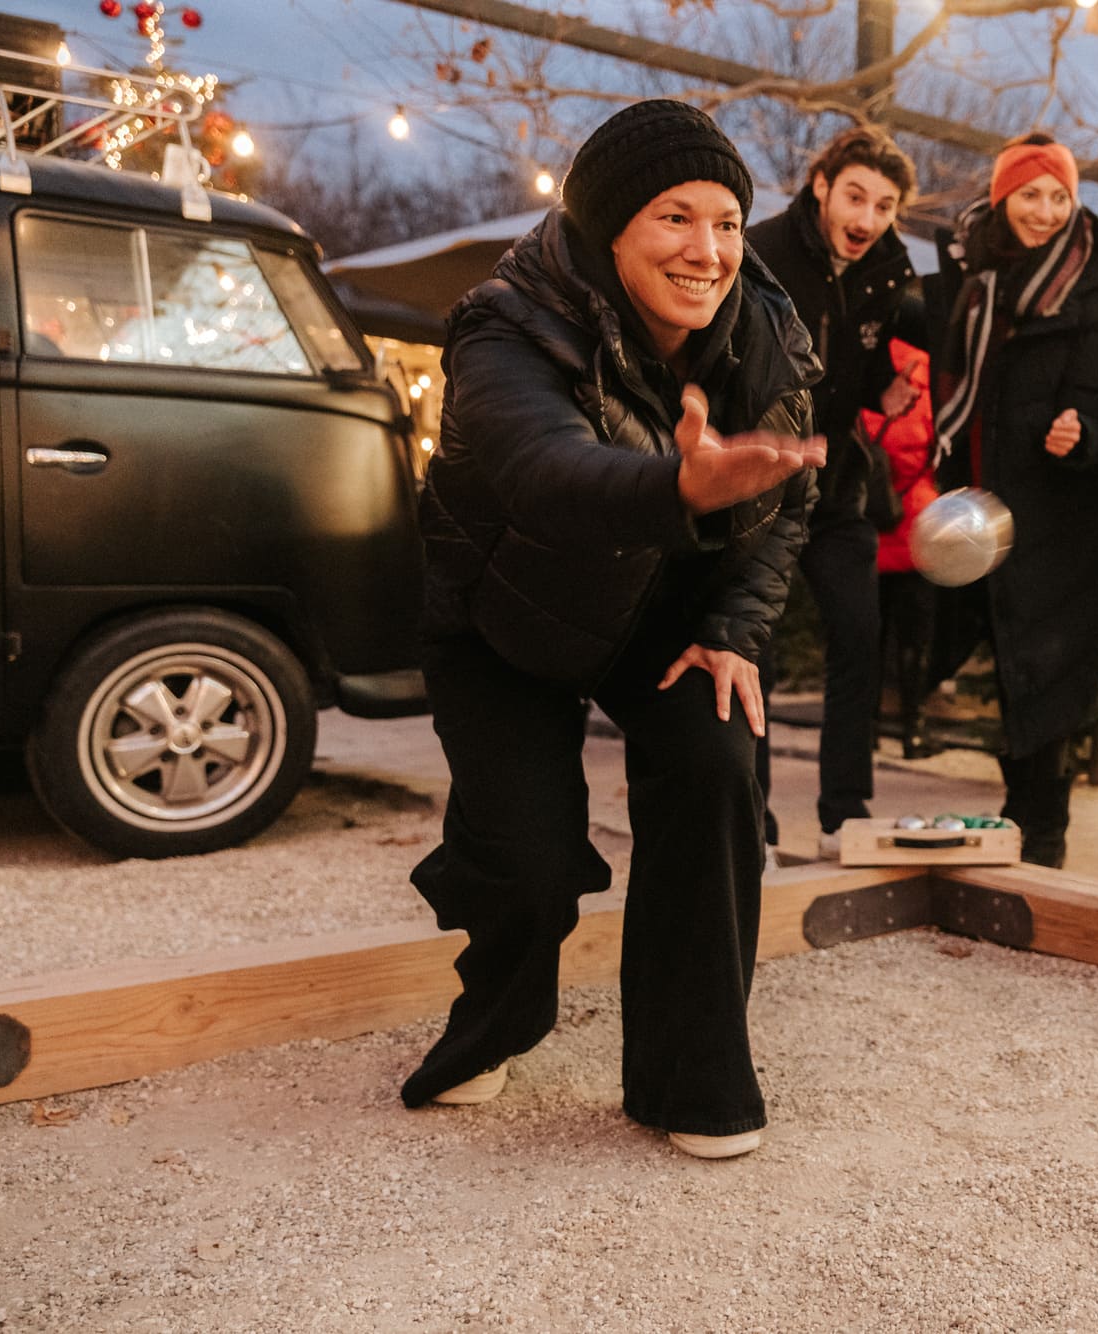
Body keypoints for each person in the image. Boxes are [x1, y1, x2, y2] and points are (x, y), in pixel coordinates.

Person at [403, 100, 824, 1160]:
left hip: (665, 611)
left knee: (717, 755)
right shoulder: (505, 324)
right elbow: (545, 471)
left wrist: (731, 627)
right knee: (530, 862)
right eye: (675, 218)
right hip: (505, 614)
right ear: (607, 227)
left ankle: (694, 1078)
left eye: (726, 222)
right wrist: (675, 485)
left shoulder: (769, 332)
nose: (708, 251)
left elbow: (785, 508)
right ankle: (495, 1019)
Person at [928, 132, 1098, 869]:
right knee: (1004, 658)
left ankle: (1046, 831)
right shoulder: (976, 273)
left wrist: (1085, 430)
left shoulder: (1096, 285)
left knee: (1051, 663)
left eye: (1059, 196)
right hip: (985, 499)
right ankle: (1018, 812)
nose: (1045, 211)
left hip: (1060, 508)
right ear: (1002, 198)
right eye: (1030, 194)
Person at [748, 125, 920, 858]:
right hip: (757, 480)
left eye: (884, 206)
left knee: (859, 631)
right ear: (821, 187)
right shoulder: (759, 253)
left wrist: (887, 391)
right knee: (750, 644)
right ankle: (748, 817)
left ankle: (844, 810)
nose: (867, 218)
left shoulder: (888, 270)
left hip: (838, 481)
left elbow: (865, 363)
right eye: (856, 197)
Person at [865, 328, 943, 759]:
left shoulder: (865, 366)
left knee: (869, 634)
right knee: (916, 637)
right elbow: (937, 441)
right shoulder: (929, 373)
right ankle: (914, 730)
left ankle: (869, 727)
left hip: (870, 516)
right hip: (918, 525)